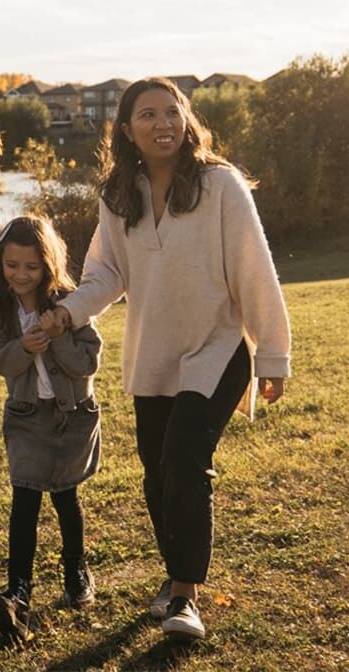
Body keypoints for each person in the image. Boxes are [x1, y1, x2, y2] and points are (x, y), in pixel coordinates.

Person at [42, 76, 292, 644]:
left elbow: (255, 269)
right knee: (157, 478)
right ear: (127, 129)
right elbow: (105, 276)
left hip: (219, 347)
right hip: (153, 355)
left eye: (171, 112)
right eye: (148, 115)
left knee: (183, 459)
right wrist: (65, 314)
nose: (163, 124)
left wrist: (273, 353)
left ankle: (184, 596)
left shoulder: (220, 185)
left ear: (187, 121)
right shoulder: (118, 196)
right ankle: (174, 577)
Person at [0, 215, 102, 644]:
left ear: (47, 265)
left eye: (30, 267)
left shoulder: (70, 303)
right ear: (1, 265)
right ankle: (18, 593)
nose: (20, 275)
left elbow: (87, 363)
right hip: (27, 417)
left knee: (67, 498)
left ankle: (76, 573)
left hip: (70, 414)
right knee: (25, 499)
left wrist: (58, 335)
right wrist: (22, 347)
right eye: (12, 265)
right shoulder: (0, 311)